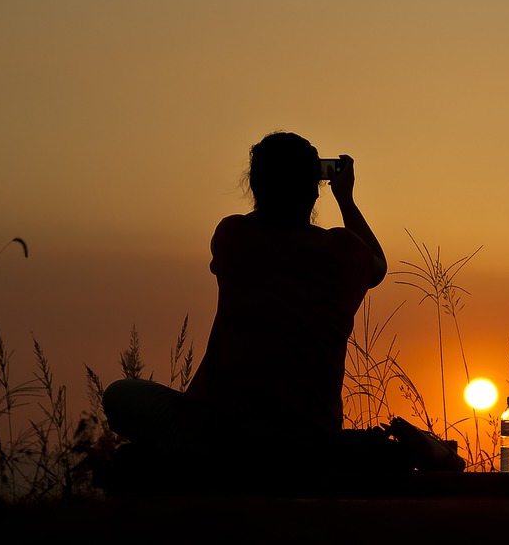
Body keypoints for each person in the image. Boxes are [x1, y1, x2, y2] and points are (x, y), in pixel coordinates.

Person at [100, 131, 398, 491]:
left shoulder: (234, 236)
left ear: (256, 185)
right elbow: (378, 264)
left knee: (121, 395)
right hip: (312, 441)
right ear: (315, 187)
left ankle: (201, 466)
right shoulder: (346, 252)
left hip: (223, 435)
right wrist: (346, 199)